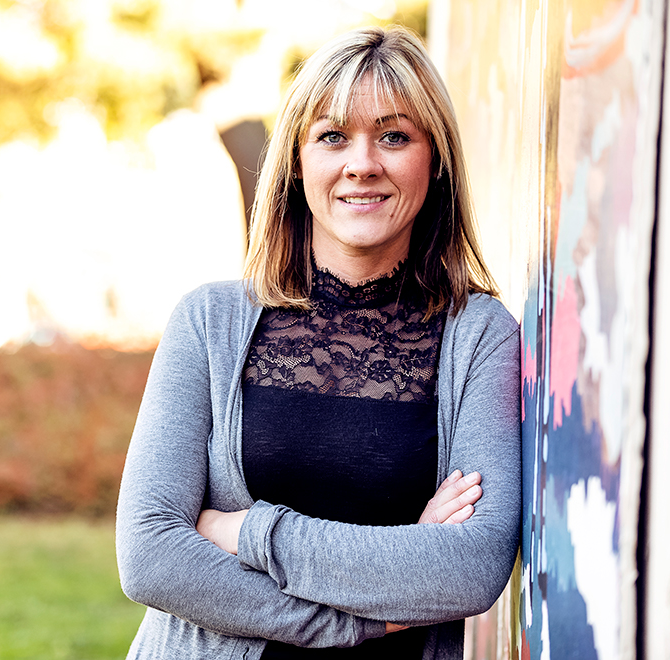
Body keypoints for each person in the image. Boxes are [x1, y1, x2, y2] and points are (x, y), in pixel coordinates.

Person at [115, 25, 520, 660]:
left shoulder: (480, 337)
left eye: (394, 135)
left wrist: (248, 531)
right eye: (332, 136)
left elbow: (469, 567)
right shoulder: (208, 321)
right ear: (298, 162)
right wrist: (359, 619)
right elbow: (150, 554)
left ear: (435, 160)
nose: (362, 163)